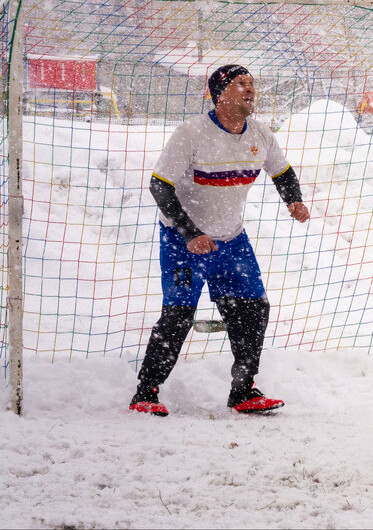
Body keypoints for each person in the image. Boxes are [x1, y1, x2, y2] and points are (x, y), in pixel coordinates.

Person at [129, 64, 310, 416]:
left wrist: (295, 201)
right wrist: (191, 233)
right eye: (241, 84)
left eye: (252, 83)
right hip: (183, 242)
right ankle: (145, 393)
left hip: (231, 241)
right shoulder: (191, 133)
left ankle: (243, 391)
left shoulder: (260, 134)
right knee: (178, 314)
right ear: (219, 94)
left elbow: (283, 172)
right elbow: (159, 185)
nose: (250, 89)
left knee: (252, 310)